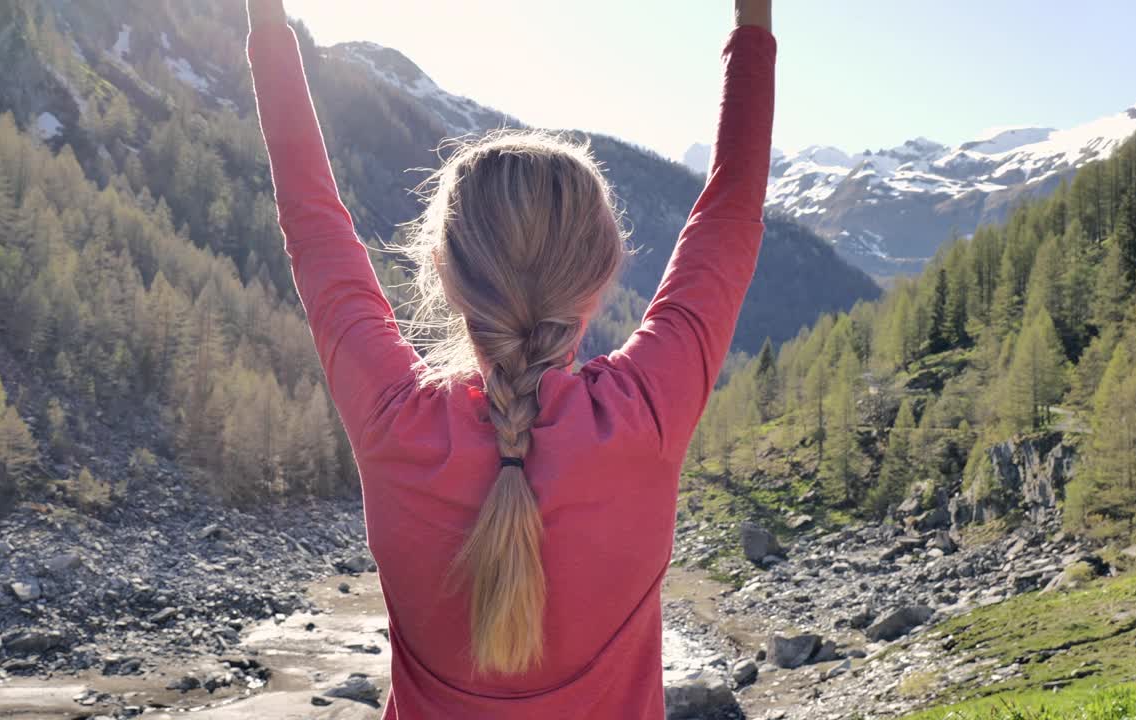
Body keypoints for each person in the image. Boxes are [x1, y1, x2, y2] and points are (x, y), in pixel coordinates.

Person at [246, 0, 775, 716]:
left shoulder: (395, 422)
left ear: (442, 266)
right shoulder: (644, 416)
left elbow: (311, 219)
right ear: (604, 270)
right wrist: (753, 26)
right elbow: (732, 210)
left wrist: (267, 25)